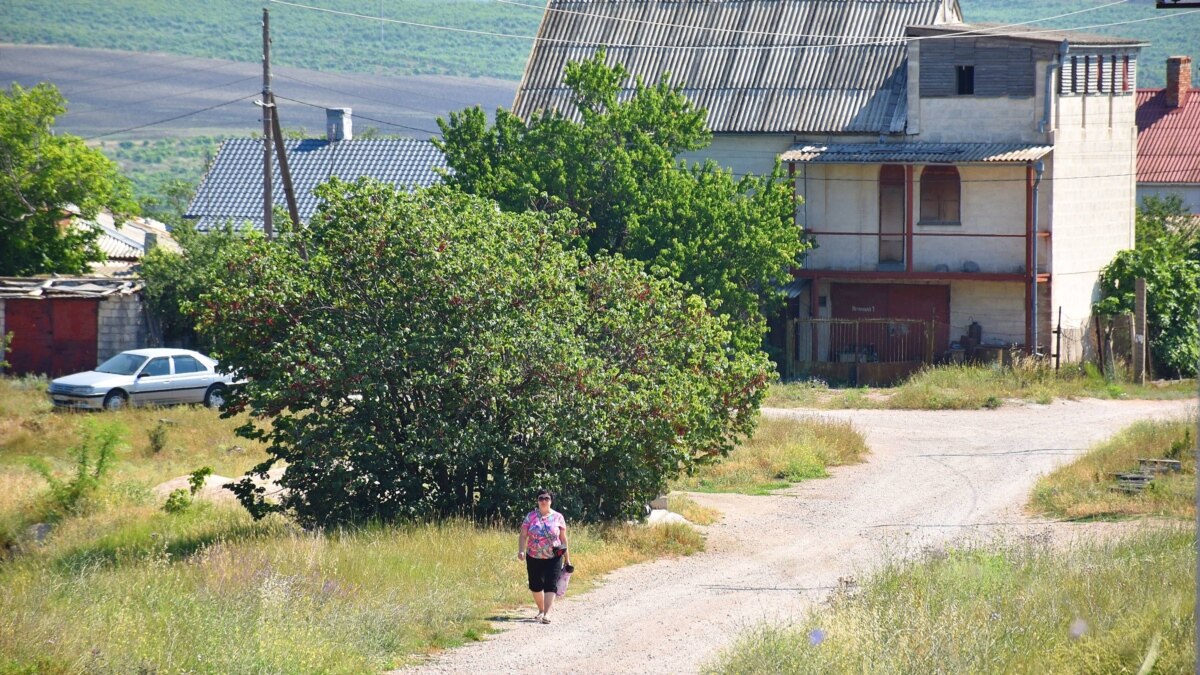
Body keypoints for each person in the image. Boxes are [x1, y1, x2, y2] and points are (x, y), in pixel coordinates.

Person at [517, 488, 569, 624]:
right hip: (533, 556)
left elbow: (563, 539)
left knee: (550, 584)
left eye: (547, 498)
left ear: (551, 501)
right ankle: (541, 609)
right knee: (535, 585)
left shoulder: (558, 517)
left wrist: (567, 558)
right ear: (537, 501)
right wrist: (521, 550)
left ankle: (547, 614)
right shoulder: (530, 517)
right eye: (541, 498)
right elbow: (523, 535)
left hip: (554, 557)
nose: (544, 501)